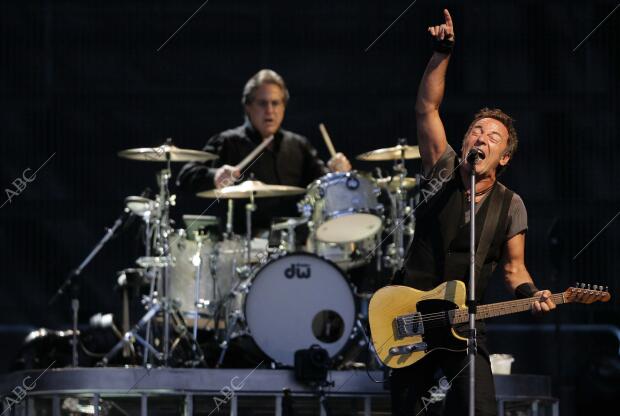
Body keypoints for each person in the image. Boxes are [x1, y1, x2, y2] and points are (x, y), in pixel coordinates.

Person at [389, 10, 556, 416]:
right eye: (476, 131)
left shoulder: (510, 204)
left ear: (505, 157)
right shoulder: (441, 171)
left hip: (465, 328)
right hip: (412, 319)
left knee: (477, 408)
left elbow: (515, 270)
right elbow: (426, 108)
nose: (481, 137)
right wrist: (441, 55)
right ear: (464, 141)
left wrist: (534, 296)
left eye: (492, 136)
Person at [177, 69, 351, 234]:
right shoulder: (228, 142)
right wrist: (215, 175)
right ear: (248, 107)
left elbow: (320, 185)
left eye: (275, 103)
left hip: (292, 242)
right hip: (242, 244)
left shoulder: (299, 145)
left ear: (284, 107)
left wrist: (337, 174)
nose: (270, 110)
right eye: (262, 103)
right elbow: (186, 176)